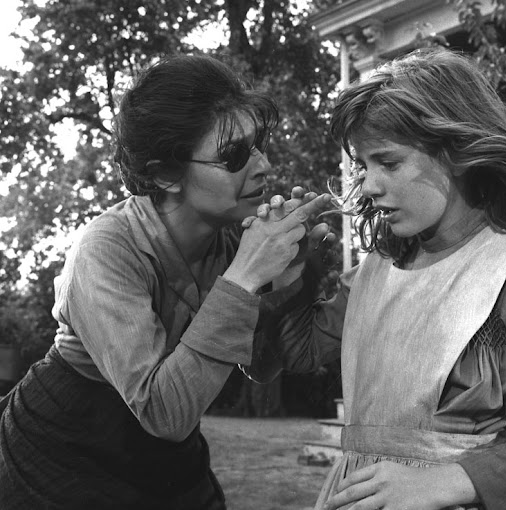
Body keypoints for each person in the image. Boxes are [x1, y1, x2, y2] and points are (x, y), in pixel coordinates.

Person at [264, 48, 506, 510]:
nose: (368, 185)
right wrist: (296, 273)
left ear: (459, 154)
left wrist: (447, 481)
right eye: (363, 166)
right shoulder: (376, 268)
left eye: (388, 162)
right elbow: (301, 352)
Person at [0, 54, 331, 510]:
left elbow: (261, 367)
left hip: (165, 456)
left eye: (258, 144)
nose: (264, 166)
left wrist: (295, 280)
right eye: (234, 154)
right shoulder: (105, 247)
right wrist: (246, 275)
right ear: (164, 174)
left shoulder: (233, 243)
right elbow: (163, 411)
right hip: (62, 447)